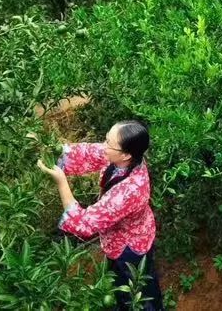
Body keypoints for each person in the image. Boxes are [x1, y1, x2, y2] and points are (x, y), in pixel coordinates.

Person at [38, 120, 164, 311]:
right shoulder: (125, 158)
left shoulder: (130, 190)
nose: (103, 146)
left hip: (129, 246)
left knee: (136, 290)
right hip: (128, 235)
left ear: (126, 154)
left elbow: (83, 224)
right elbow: (91, 153)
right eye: (106, 139)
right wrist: (50, 148)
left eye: (108, 143)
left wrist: (62, 182)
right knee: (137, 282)